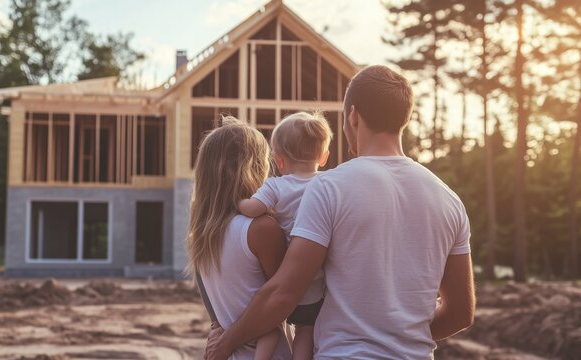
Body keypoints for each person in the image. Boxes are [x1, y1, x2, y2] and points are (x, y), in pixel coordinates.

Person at [204, 65, 476, 359]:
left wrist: (228, 340)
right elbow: (461, 313)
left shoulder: (329, 188)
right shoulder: (449, 200)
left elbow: (284, 292)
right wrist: (400, 333)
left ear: (353, 116)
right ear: (403, 118)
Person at [186, 117, 291, 359]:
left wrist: (218, 332)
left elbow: (216, 314)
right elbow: (287, 299)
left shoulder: (202, 236)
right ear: (253, 167)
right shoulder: (260, 229)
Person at [238, 111, 332, 360]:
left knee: (272, 325)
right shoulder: (329, 183)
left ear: (279, 161)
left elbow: (253, 209)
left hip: (282, 272)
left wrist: (238, 202)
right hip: (318, 280)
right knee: (305, 329)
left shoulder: (276, 185)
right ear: (323, 157)